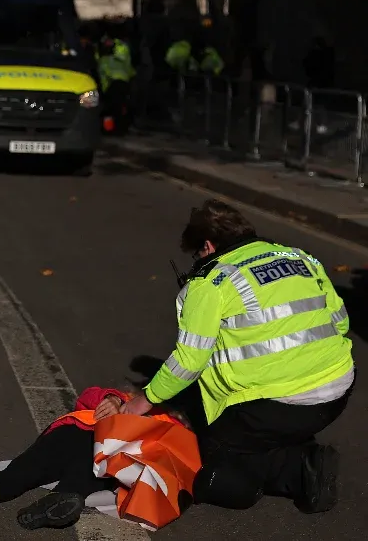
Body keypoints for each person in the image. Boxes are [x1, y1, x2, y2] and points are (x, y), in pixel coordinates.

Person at [120, 199, 354, 514]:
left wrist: (143, 401)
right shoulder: (300, 257)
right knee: (256, 432)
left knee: (210, 464)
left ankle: (300, 469)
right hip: (338, 389)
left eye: (197, 253)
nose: (197, 259)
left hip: (278, 406)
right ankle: (290, 445)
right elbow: (341, 322)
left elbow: (189, 361)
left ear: (207, 245)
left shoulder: (211, 284)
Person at [0, 387, 197, 531]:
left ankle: (48, 505)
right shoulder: (130, 399)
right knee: (33, 463)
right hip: (74, 436)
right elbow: (88, 396)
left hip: (104, 459)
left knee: (85, 473)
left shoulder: (176, 434)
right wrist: (112, 398)